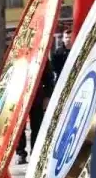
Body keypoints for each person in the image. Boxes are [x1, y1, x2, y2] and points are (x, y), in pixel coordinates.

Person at [14, 33, 66, 164]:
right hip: (19, 100)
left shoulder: (40, 57)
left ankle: (35, 153)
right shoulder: (15, 57)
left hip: (37, 98)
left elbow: (49, 78)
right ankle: (21, 153)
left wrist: (47, 96)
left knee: (37, 127)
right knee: (19, 129)